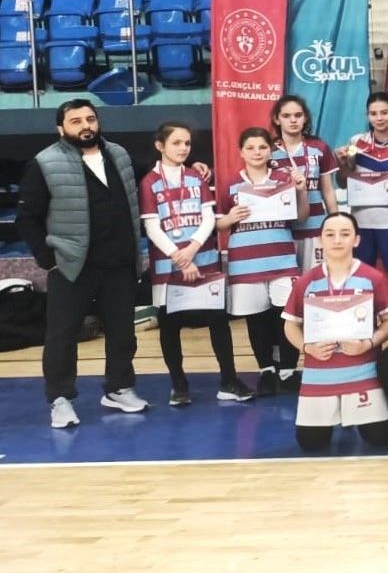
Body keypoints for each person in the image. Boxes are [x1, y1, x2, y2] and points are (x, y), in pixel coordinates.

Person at [18, 99, 145, 426]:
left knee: (123, 334)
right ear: (61, 129)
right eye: (76, 121)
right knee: (62, 337)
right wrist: (49, 259)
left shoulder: (119, 155)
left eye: (90, 118)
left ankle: (118, 388)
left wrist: (195, 168)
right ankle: (60, 399)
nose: (85, 125)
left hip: (119, 264)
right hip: (72, 267)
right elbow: (27, 218)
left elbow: (148, 184)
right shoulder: (45, 162)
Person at [139, 122, 254, 407]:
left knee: (218, 322)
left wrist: (191, 249)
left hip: (204, 261)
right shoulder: (149, 182)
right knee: (169, 325)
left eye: (187, 143)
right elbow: (152, 228)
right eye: (176, 143)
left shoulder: (196, 177)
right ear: (160, 145)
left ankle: (229, 380)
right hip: (168, 267)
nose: (183, 148)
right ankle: (178, 384)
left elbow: (208, 218)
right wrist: (179, 257)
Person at [281, 212, 388, 453]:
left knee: (379, 438)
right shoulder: (306, 281)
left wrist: (369, 343)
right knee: (310, 443)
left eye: (345, 234)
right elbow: (290, 324)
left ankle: (384, 404)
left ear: (356, 240)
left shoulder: (374, 278)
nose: (337, 240)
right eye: (330, 234)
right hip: (319, 374)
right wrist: (307, 347)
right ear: (321, 240)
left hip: (363, 370)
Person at [217, 126, 310, 396]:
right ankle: (266, 371)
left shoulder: (283, 179)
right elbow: (219, 223)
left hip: (281, 259)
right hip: (245, 262)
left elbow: (302, 216)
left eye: (262, 147)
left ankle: (288, 371)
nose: (257, 152)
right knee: (256, 319)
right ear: (241, 151)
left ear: (270, 150)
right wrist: (230, 218)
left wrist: (301, 190)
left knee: (287, 317)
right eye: (250, 148)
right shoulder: (230, 183)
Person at [338, 90, 388, 275]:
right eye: (373, 113)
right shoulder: (355, 143)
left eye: (384, 112)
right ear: (367, 116)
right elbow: (343, 183)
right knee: (360, 276)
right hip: (361, 222)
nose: (379, 118)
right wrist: (342, 165)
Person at [270, 94, 338, 273]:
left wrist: (336, 222)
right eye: (286, 116)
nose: (293, 120)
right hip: (283, 232)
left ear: (305, 117)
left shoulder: (319, 147)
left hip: (315, 229)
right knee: (289, 284)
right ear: (276, 119)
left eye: (298, 115)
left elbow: (328, 190)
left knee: (316, 281)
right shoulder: (268, 151)